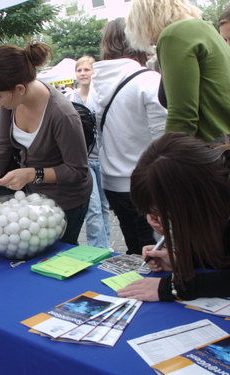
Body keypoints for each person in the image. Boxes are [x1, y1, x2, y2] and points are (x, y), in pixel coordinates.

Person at [0, 41, 92, 245]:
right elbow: (1, 148)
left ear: (20, 88)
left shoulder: (62, 115)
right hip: (34, 198)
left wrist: (33, 173)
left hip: (67, 201)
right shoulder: (12, 101)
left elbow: (77, 171)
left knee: (57, 259)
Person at [118, 132, 230, 302]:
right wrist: (183, 260)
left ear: (187, 201)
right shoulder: (210, 185)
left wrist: (172, 286)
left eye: (165, 213)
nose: (162, 220)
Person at [88, 17, 167, 254]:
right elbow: (164, 140)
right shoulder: (149, 80)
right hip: (148, 184)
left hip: (113, 181)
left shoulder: (96, 84)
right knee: (157, 254)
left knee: (136, 250)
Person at [125, 0, 230, 141]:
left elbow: (182, 116)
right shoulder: (206, 29)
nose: (154, 43)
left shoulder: (174, 34)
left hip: (210, 151)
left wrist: (163, 158)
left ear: (145, 21)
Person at [72, 55, 111, 249]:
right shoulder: (71, 97)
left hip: (103, 158)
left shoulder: (101, 95)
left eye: (86, 69)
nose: (83, 73)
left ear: (94, 72)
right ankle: (98, 249)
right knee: (93, 208)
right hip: (84, 160)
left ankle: (106, 246)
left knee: (104, 207)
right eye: (79, 70)